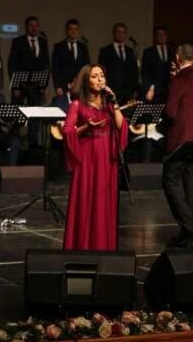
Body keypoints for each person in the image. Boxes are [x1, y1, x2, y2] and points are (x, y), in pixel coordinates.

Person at [62, 64, 127, 250]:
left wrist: (114, 103)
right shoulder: (77, 105)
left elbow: (122, 127)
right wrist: (86, 127)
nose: (100, 79)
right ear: (86, 80)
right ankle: (83, 247)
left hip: (107, 159)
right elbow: (67, 131)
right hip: (88, 160)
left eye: (102, 76)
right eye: (94, 76)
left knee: (103, 203)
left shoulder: (109, 105)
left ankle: (103, 247)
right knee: (87, 201)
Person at [162, 44, 193, 248]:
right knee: (192, 185)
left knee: (170, 181)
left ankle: (189, 225)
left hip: (181, 138)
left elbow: (170, 111)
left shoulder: (178, 80)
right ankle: (189, 233)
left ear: (177, 57)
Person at [8, 15, 49, 145]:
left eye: (36, 26)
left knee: (35, 115)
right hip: (20, 85)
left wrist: (43, 85)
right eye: (31, 26)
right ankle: (15, 143)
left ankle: (33, 143)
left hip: (36, 86)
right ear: (26, 27)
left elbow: (46, 65)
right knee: (17, 114)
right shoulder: (18, 41)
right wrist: (15, 86)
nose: (34, 28)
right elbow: (12, 64)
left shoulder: (43, 41)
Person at [98, 23, 139, 104]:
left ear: (125, 34)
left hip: (128, 93)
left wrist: (135, 89)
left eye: (123, 32)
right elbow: (102, 72)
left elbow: (134, 72)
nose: (120, 34)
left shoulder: (130, 51)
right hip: (111, 92)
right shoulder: (105, 51)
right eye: (118, 32)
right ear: (114, 33)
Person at [51, 19, 89, 97]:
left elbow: (86, 66)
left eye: (75, 29)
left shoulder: (83, 47)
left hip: (80, 85)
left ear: (78, 31)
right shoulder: (59, 47)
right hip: (63, 86)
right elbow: (55, 68)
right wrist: (57, 86)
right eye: (71, 29)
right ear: (66, 30)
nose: (73, 32)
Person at [141, 26, 175, 103]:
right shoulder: (148, 52)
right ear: (156, 36)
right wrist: (149, 88)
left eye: (163, 34)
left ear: (166, 36)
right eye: (159, 34)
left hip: (169, 91)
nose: (161, 37)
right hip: (154, 90)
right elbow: (144, 72)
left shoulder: (172, 51)